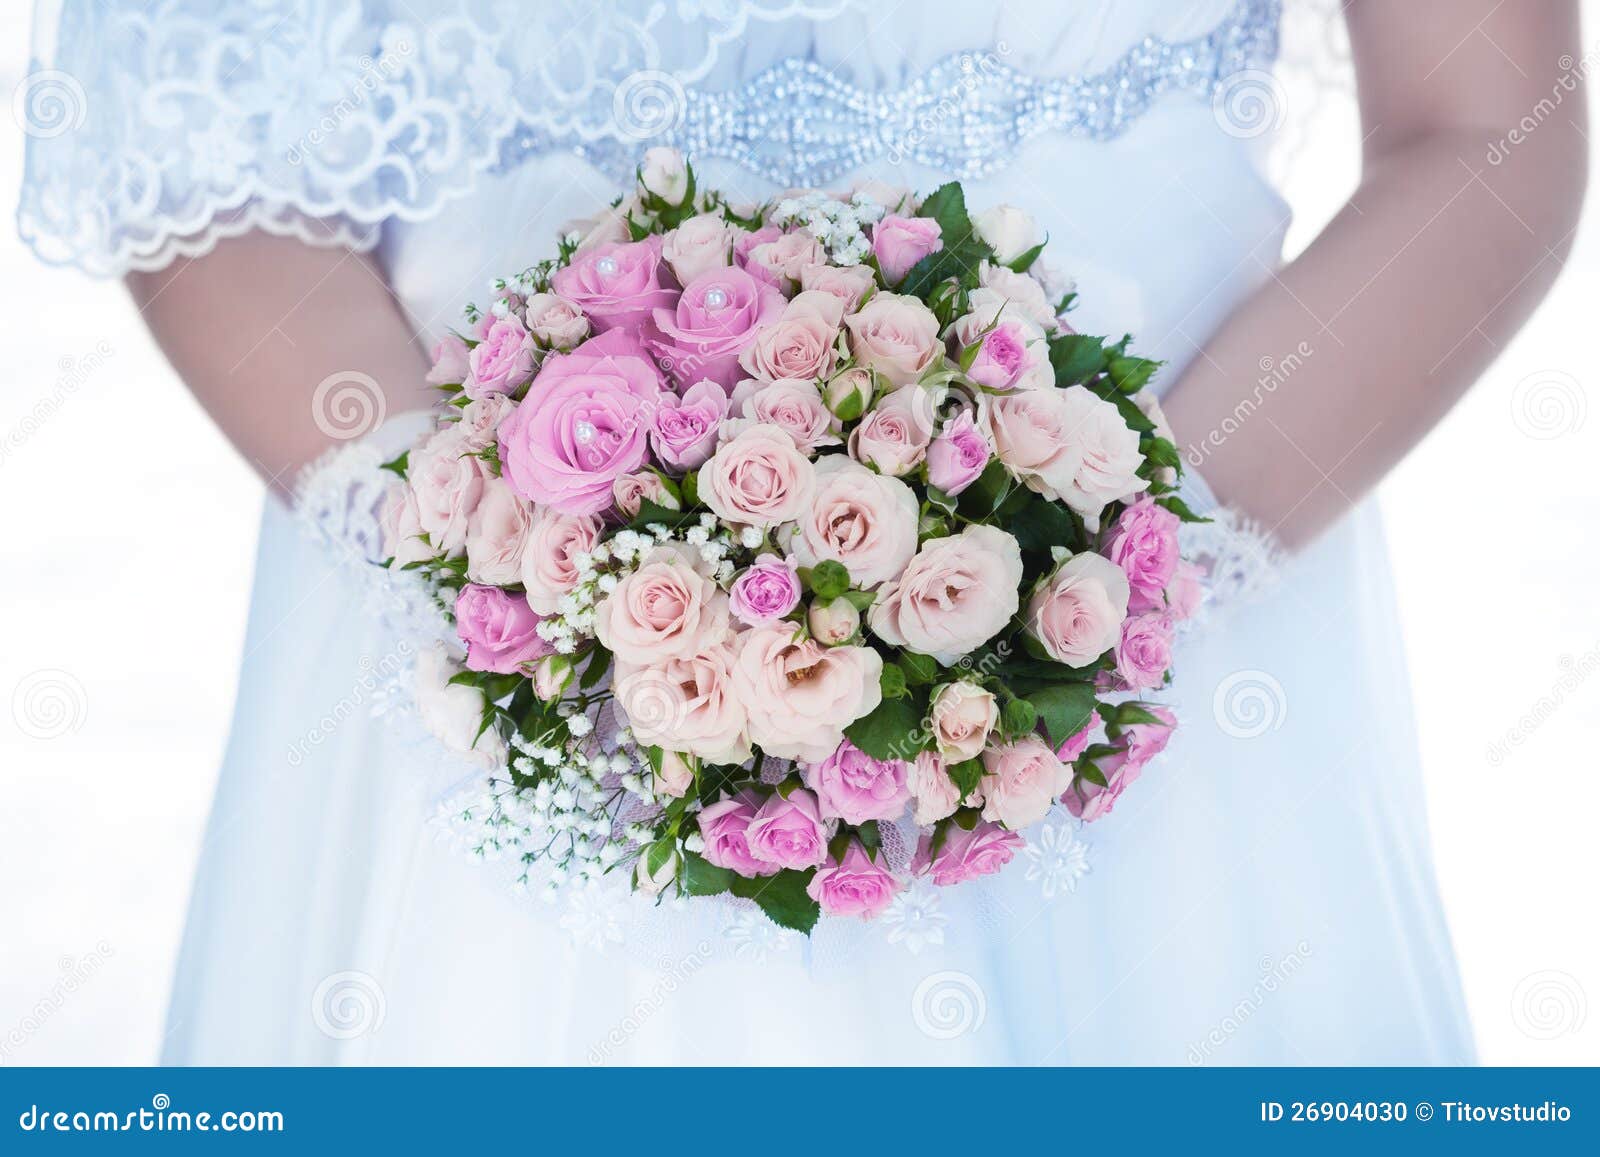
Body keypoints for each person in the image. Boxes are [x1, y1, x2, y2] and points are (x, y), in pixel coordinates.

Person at [18, 0, 1584, 1063]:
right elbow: (187, 133)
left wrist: (1103, 561)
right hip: (486, 640)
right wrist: (507, 575)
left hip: (1166, 616)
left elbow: (1487, 118)